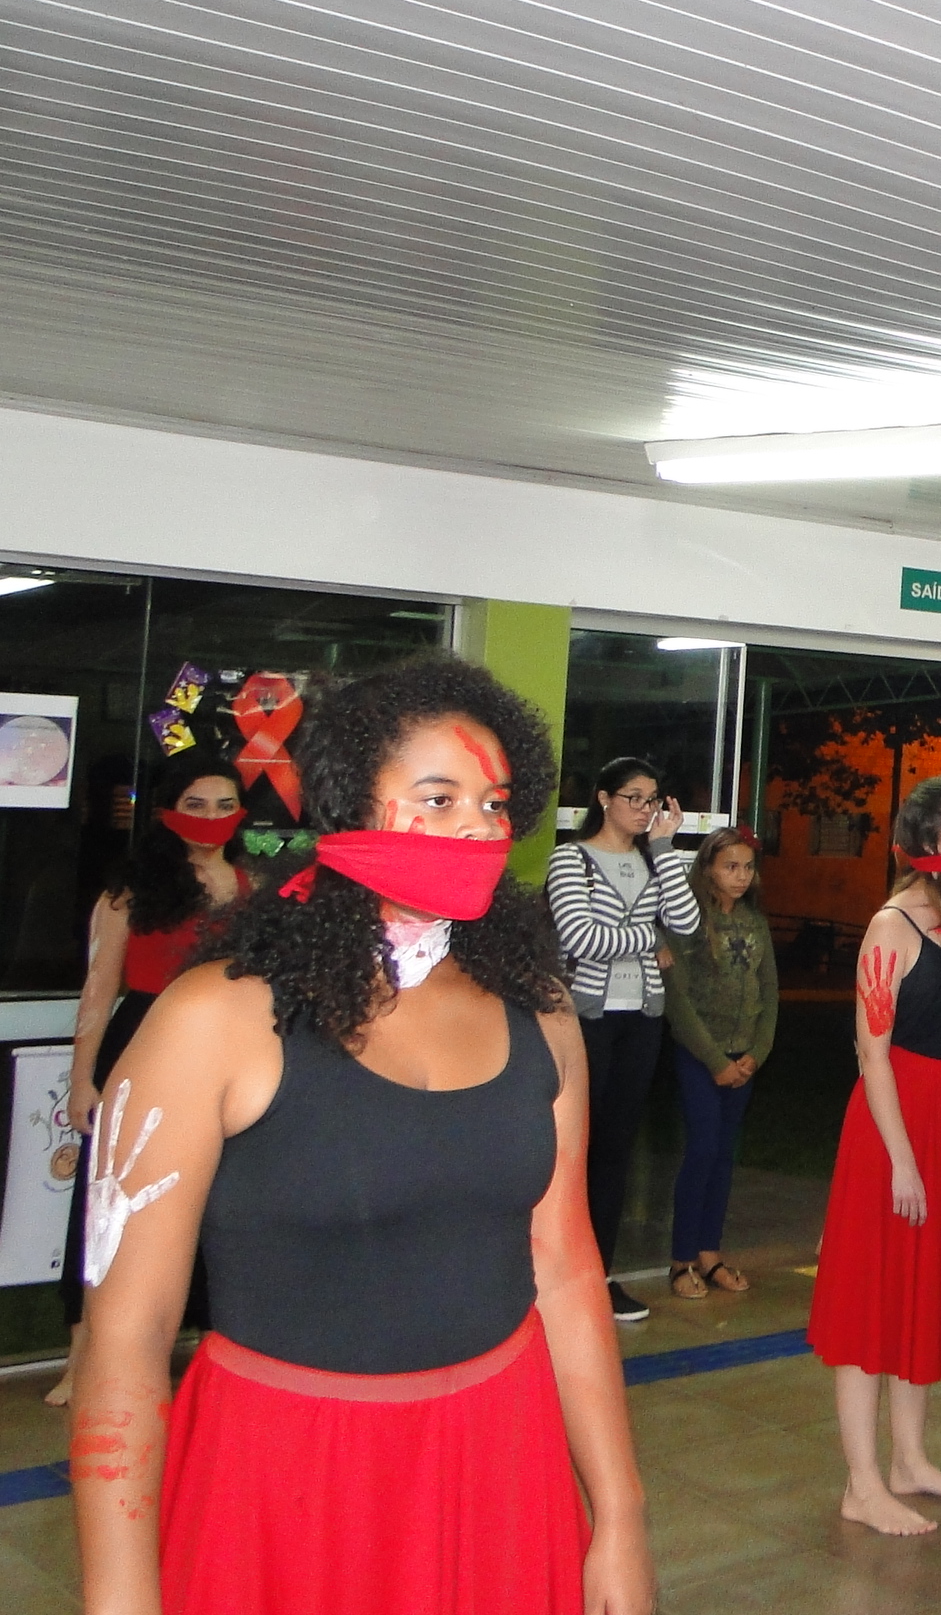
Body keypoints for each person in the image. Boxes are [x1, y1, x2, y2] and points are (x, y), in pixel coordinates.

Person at [71, 654, 652, 1615]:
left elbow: (564, 1268)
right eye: (439, 798)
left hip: (499, 1462)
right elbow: (125, 1340)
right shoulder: (216, 1019)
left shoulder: (539, 1011)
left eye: (495, 803)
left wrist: (620, 1515)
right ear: (346, 808)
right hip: (283, 1479)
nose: (480, 827)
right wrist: (119, 1594)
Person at [808, 775, 941, 1537]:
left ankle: (909, 1460)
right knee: (873, 1304)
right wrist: (901, 1159)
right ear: (927, 841)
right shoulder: (892, 926)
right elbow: (873, 1052)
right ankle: (861, 1483)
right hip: (896, 1128)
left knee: (922, 1297)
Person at [51, 753, 249, 1407]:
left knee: (216, 1205)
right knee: (110, 1203)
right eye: (197, 804)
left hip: (224, 1055)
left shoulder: (255, 890)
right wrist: (83, 1080)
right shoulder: (129, 891)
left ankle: (210, 1357)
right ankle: (84, 1359)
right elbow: (98, 987)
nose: (212, 818)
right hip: (138, 1045)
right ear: (167, 810)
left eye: (225, 806)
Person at [545, 756, 698, 1321]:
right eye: (634, 797)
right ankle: (551, 1273)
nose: (645, 809)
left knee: (615, 1150)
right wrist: (649, 938)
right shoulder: (571, 859)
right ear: (604, 798)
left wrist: (665, 849)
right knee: (571, 1148)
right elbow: (580, 937)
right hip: (588, 1019)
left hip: (642, 1018)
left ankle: (598, 1275)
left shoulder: (655, 859)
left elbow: (687, 924)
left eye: (652, 799)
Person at [662, 828, 778, 1300]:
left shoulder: (755, 922)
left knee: (724, 1155)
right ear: (708, 868)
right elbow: (678, 1000)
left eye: (747, 867)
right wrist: (714, 1059)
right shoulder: (690, 921)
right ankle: (681, 1259)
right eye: (730, 866)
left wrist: (757, 1052)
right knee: (703, 1149)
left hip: (743, 1057)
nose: (741, 876)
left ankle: (710, 1253)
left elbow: (770, 992)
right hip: (700, 1056)